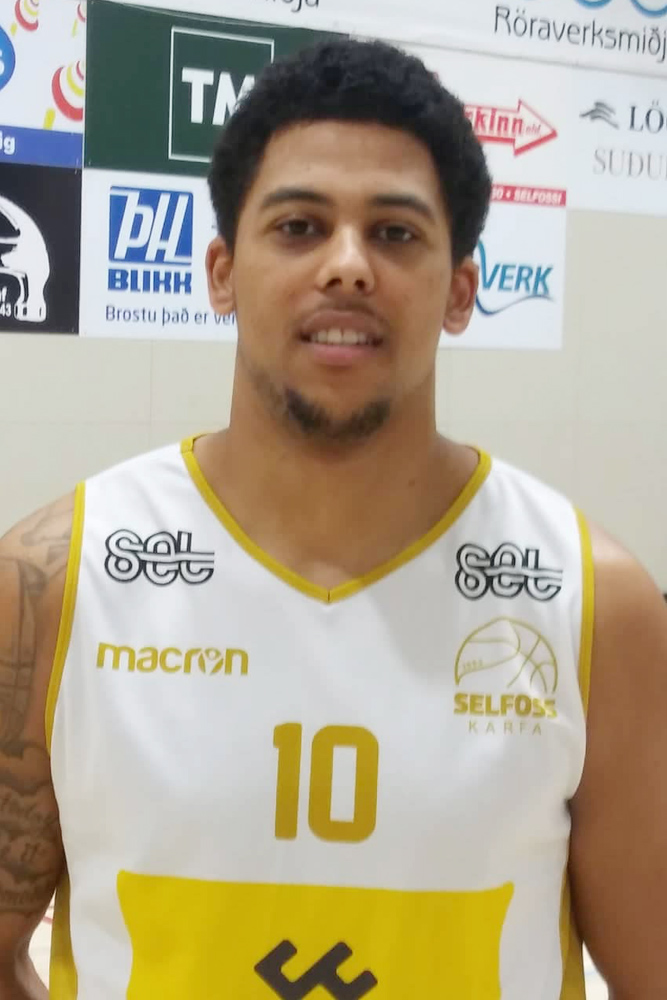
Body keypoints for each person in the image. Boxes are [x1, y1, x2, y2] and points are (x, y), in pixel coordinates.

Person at [0, 37, 664, 1000]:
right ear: (221, 272)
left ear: (461, 291)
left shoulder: (596, 606)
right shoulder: (50, 583)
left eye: (394, 233)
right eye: (300, 226)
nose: (348, 266)